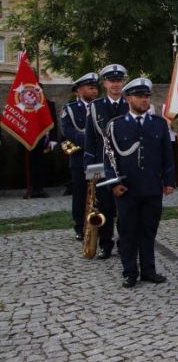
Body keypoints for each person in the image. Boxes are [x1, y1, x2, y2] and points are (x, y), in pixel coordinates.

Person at [103, 78, 175, 288]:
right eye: (139, 96)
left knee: (148, 230)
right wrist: (113, 184)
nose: (144, 100)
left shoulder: (159, 124)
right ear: (128, 98)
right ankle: (129, 272)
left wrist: (169, 181)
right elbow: (109, 157)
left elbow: (167, 156)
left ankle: (148, 270)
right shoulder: (116, 125)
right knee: (127, 232)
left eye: (146, 97)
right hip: (127, 188)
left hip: (152, 186)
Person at [83, 64, 129, 259]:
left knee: (125, 208)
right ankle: (106, 244)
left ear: (123, 82)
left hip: (126, 165)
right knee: (105, 207)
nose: (116, 85)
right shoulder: (96, 106)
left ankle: (124, 243)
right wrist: (89, 165)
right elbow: (90, 138)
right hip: (103, 165)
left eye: (119, 80)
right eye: (112, 81)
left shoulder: (130, 103)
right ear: (105, 83)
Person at [60, 72, 99, 240]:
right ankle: (79, 226)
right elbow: (67, 130)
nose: (94, 91)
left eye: (95, 88)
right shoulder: (70, 109)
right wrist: (87, 141)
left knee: (100, 192)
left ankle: (100, 225)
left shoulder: (100, 106)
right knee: (81, 193)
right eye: (90, 88)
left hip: (99, 156)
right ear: (79, 91)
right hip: (80, 158)